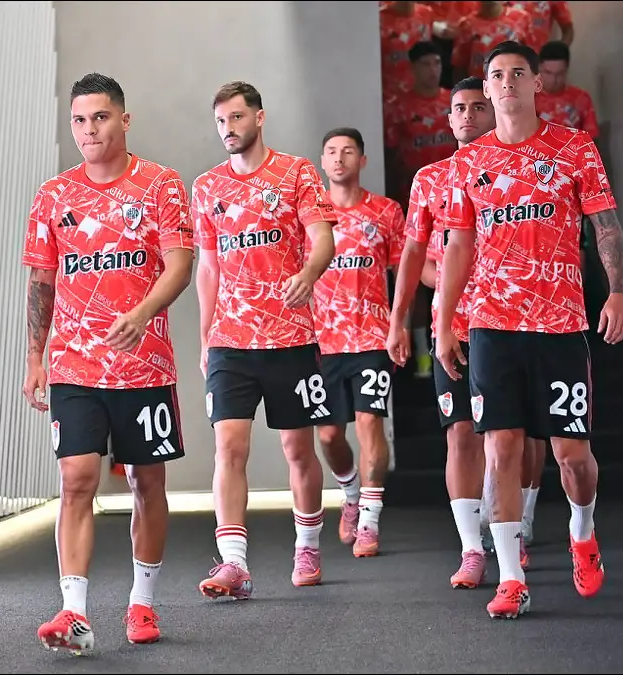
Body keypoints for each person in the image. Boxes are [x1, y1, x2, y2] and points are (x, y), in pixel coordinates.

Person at [434, 42, 623, 619]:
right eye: (497, 75)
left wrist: (618, 291)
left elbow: (606, 225)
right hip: (492, 326)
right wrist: (446, 322)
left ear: (535, 84)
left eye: (518, 73)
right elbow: (457, 246)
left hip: (560, 323)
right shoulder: (468, 164)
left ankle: (582, 531)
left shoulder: (573, 147)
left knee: (572, 456)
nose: (508, 83)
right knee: (500, 447)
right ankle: (512, 577)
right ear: (488, 89)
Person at [22, 73, 195, 653]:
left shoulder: (161, 184)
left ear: (124, 120)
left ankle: (142, 603)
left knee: (147, 483)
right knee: (76, 480)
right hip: (74, 365)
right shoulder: (54, 195)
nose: (89, 130)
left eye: (99, 117)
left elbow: (179, 265)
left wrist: (144, 312)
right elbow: (42, 281)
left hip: (143, 365)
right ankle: (74, 613)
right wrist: (35, 358)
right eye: (79, 120)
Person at [191, 81, 337, 598]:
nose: (228, 129)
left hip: (291, 337)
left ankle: (308, 544)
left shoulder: (296, 172)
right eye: (220, 122)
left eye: (236, 118)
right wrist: (206, 337)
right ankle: (234, 564)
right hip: (231, 339)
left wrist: (309, 273)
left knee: (299, 449)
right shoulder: (207, 187)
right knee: (228, 446)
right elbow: (207, 266)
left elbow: (322, 237)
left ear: (259, 117)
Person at [387, 75, 499, 588]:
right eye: (460, 109)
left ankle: (511, 530)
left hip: (511, 321)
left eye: (480, 107)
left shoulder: (516, 168)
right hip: (449, 325)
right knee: (459, 435)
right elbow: (413, 253)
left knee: (509, 438)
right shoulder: (429, 178)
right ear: (448, 118)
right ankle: (471, 547)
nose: (469, 116)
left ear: (495, 110)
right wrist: (398, 319)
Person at [311, 127, 406, 558]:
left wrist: (401, 324)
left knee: (369, 422)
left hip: (371, 336)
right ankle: (350, 493)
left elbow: (406, 272)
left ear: (362, 161)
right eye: (331, 151)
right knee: (329, 435)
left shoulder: (385, 212)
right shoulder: (310, 216)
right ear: (322, 161)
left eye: (348, 151)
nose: (338, 158)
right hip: (321, 341)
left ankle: (370, 521)